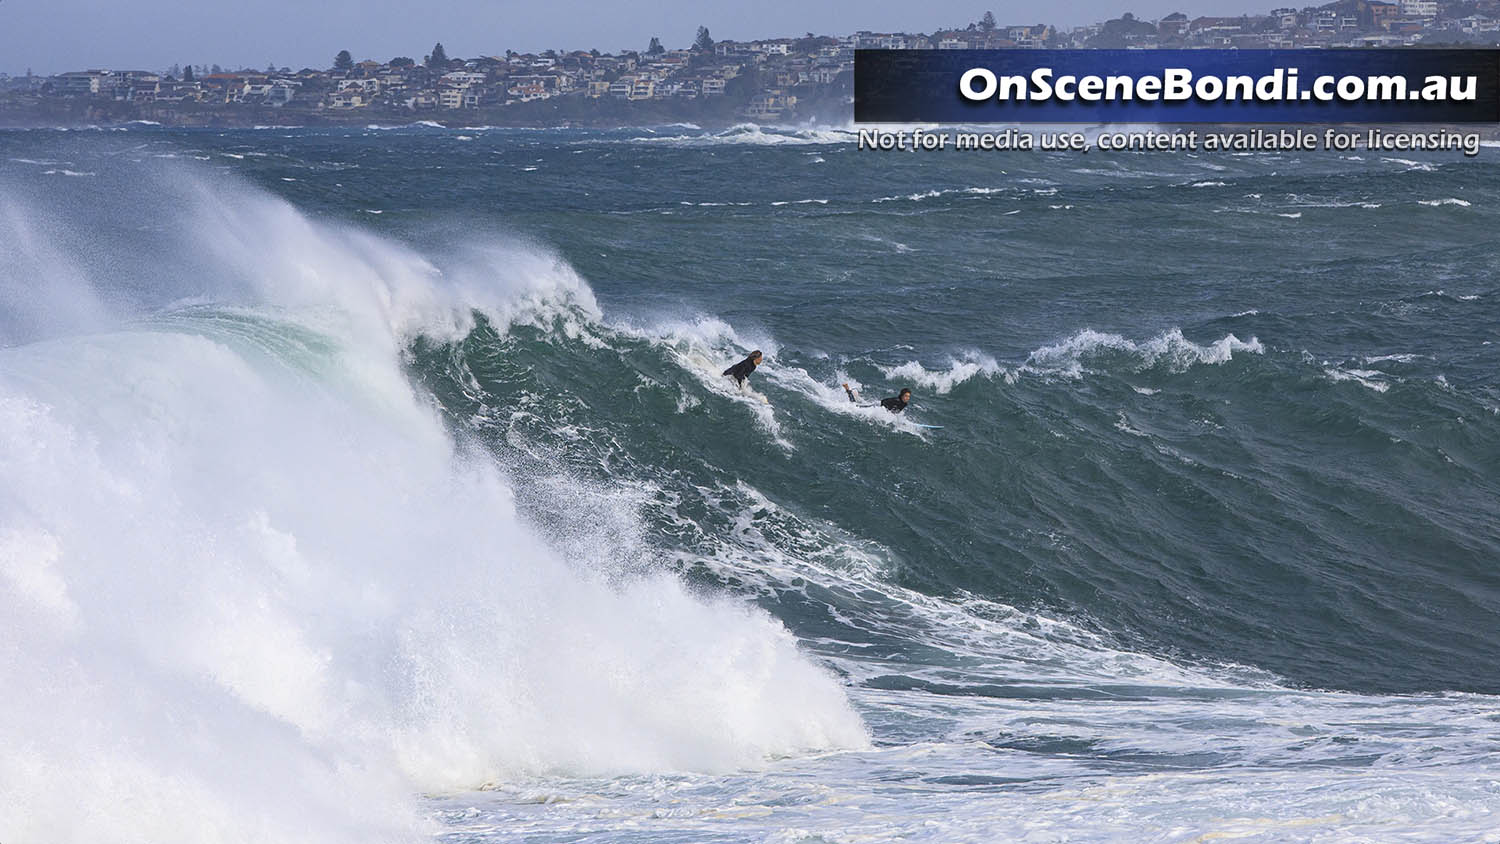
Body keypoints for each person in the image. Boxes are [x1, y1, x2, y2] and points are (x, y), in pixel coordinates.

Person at [843, 383, 912, 414]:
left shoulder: (904, 404)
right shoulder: (896, 400)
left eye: (908, 396)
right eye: (906, 396)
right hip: (877, 405)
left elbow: (895, 411)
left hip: (879, 406)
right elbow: (885, 403)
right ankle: (848, 390)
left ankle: (855, 394)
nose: (907, 398)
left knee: (861, 404)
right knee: (855, 406)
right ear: (902, 395)